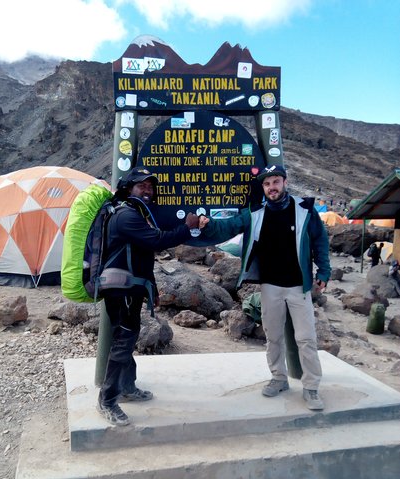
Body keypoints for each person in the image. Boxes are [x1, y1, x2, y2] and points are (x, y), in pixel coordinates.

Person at [199, 164, 331, 411]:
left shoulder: (304, 209)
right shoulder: (255, 212)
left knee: (306, 338)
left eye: (276, 182)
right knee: (273, 337)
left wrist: (324, 270)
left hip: (298, 286)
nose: (272, 187)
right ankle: (279, 378)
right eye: (267, 184)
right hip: (270, 285)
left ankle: (312, 387)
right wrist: (208, 224)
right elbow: (229, 227)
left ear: (285, 182)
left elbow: (320, 241)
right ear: (263, 187)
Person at [97, 167, 200, 426]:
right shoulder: (125, 216)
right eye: (141, 185)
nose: (148, 190)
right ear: (128, 188)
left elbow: (142, 255)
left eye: (150, 187)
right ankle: (107, 399)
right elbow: (156, 240)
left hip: (130, 288)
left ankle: (127, 387)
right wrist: (187, 227)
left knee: (127, 338)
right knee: (123, 341)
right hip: (120, 290)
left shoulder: (135, 214)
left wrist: (149, 287)